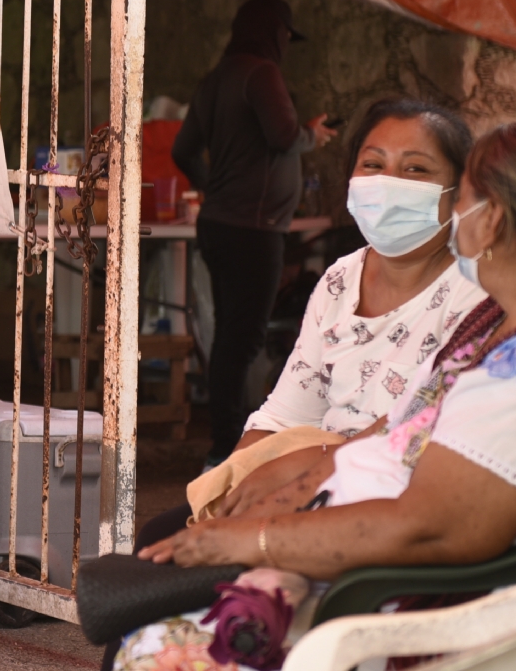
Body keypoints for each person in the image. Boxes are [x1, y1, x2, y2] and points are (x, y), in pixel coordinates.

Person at [112, 121, 516, 670]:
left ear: (494, 221)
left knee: (147, 641)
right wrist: (274, 503)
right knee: (145, 579)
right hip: (366, 570)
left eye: (461, 197)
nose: (455, 214)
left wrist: (255, 540)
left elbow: (428, 528)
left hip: (391, 612)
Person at [182, 99, 484, 524]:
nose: (388, 183)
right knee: (166, 537)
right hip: (311, 480)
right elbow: (284, 416)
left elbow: (426, 429)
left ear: (459, 193)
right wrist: (234, 483)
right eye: (373, 164)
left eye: (415, 169)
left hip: (386, 496)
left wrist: (309, 466)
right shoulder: (341, 280)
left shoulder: (475, 292)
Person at [173, 0, 336, 466]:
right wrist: (313, 135)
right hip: (253, 229)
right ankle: (225, 450)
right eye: (286, 34)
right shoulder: (262, 73)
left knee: (229, 336)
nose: (286, 43)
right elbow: (283, 136)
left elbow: (184, 151)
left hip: (220, 224)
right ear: (273, 32)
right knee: (241, 341)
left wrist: (213, 189)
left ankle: (225, 440)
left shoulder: (214, 79)